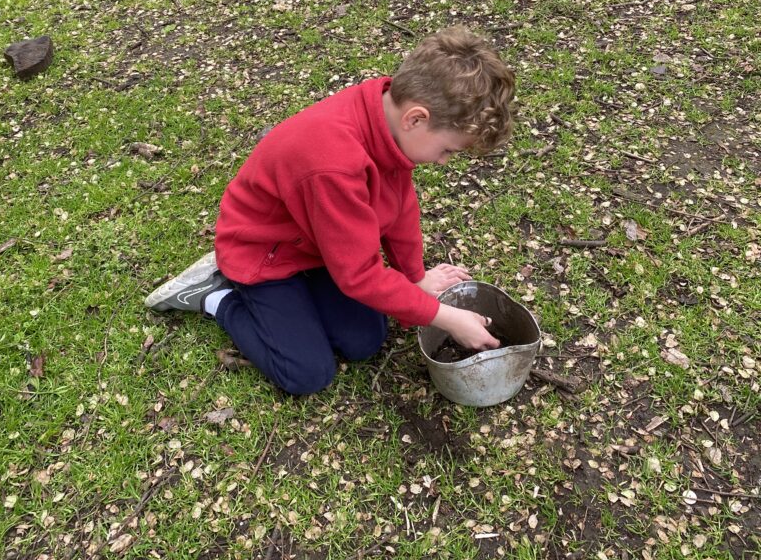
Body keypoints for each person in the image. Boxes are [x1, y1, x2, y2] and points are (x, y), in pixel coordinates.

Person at [144, 27, 516, 395]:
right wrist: (447, 317)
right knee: (307, 373)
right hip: (263, 254)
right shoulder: (333, 163)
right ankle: (216, 296)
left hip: (319, 246)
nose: (445, 161)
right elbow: (358, 276)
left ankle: (297, 299)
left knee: (365, 341)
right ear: (415, 119)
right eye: (448, 150)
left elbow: (399, 207)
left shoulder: (388, 114)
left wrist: (414, 278)